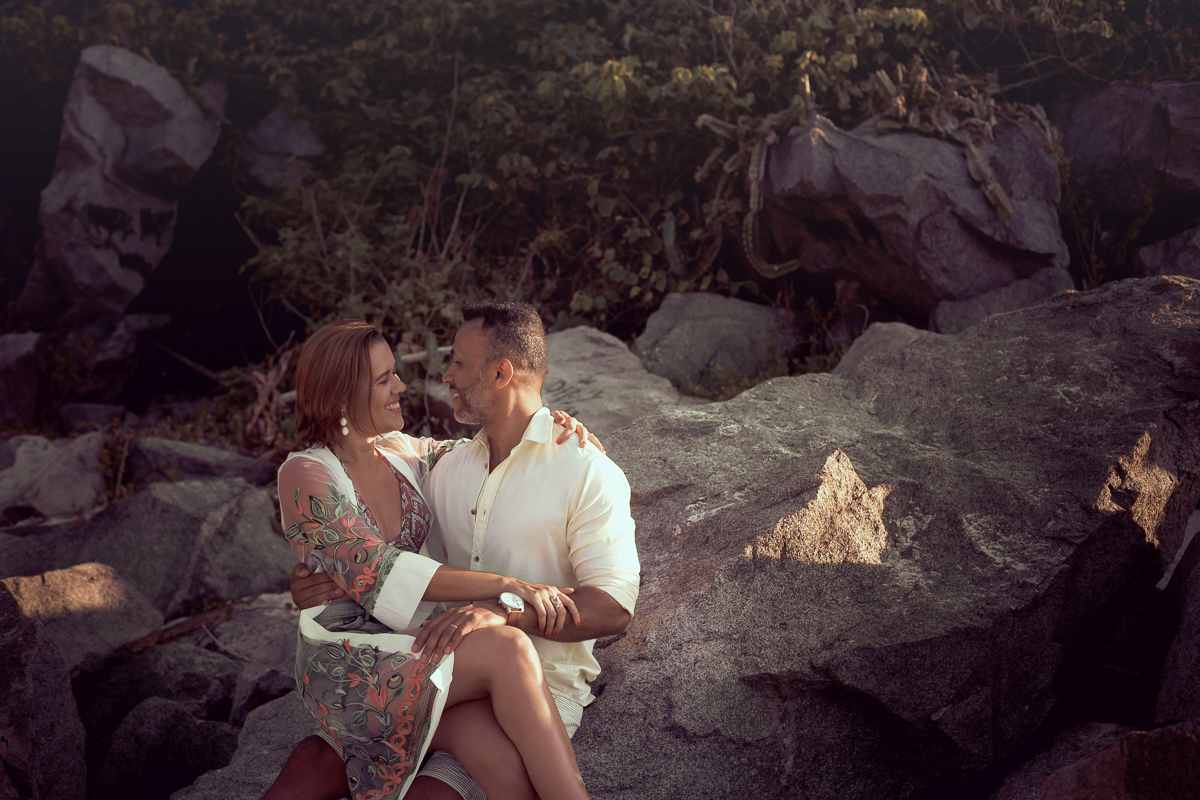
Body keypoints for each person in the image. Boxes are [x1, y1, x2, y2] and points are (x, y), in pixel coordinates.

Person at [284, 302, 641, 800]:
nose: (439, 377)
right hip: (430, 662)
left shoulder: (583, 469)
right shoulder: (447, 466)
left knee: (442, 771)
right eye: (387, 377)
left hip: (528, 687)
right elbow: (369, 555)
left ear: (501, 372)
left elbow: (615, 609)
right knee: (320, 760)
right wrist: (315, 573)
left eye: (458, 363)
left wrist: (502, 609)